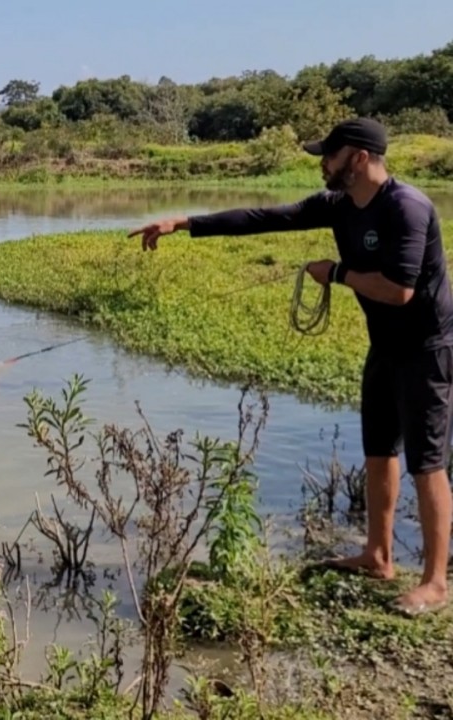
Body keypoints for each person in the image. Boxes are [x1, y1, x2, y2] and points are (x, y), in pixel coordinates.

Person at [128, 117, 452, 615]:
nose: (322, 163)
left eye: (330, 155)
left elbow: (399, 289)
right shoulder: (338, 206)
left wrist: (338, 272)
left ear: (359, 158)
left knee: (427, 463)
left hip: (427, 349)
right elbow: (264, 217)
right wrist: (185, 224)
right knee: (378, 449)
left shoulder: (405, 208)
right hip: (383, 346)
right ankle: (378, 555)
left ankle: (434, 582)